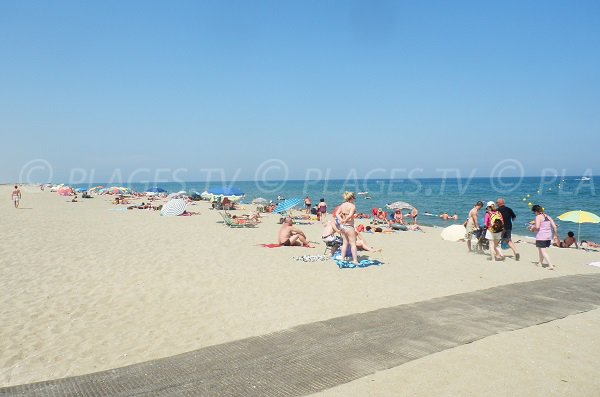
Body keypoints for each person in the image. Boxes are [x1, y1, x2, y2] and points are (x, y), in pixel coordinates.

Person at [529, 204, 558, 270]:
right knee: (540, 250)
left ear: (536, 211)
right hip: (548, 236)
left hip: (541, 236)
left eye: (534, 212)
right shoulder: (548, 216)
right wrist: (555, 235)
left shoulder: (538, 217)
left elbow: (537, 227)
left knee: (543, 251)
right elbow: (554, 226)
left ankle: (550, 265)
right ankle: (540, 263)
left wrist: (532, 228)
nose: (534, 214)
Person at [336, 191, 359, 264]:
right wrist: (345, 220)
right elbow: (350, 215)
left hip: (343, 226)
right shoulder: (352, 206)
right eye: (354, 198)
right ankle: (355, 260)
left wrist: (341, 220)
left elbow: (336, 213)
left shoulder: (342, 205)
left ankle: (342, 258)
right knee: (353, 244)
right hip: (349, 226)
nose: (354, 199)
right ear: (351, 198)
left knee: (345, 243)